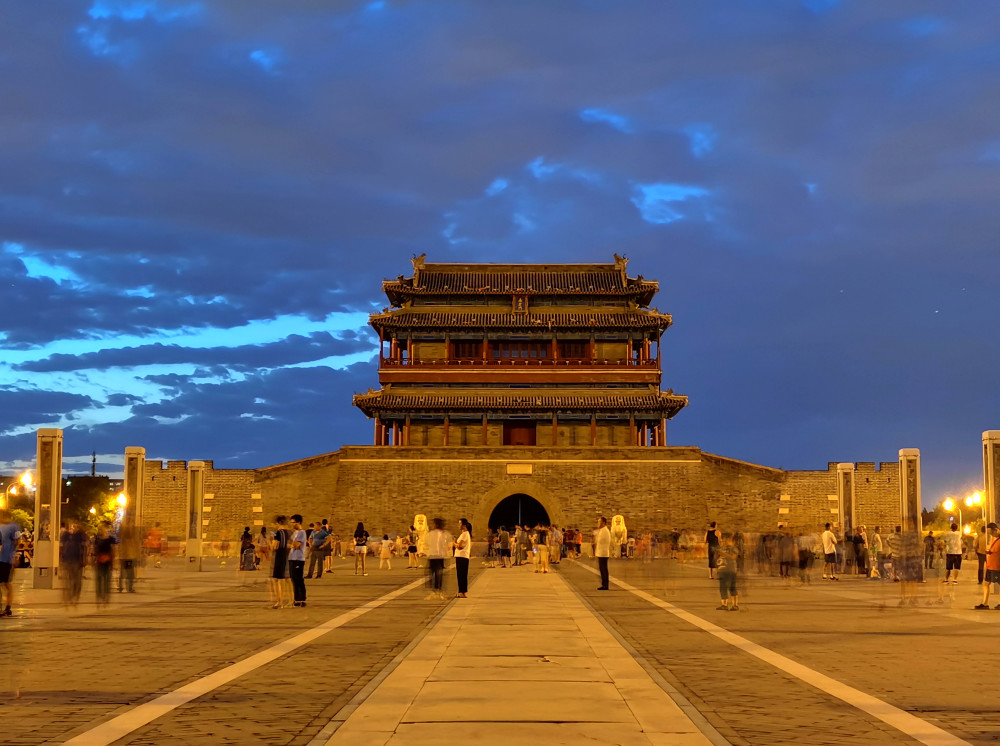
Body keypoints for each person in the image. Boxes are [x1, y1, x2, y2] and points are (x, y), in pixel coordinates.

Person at [61, 521, 89, 607]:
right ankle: (71, 596)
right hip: (68, 559)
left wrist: (85, 559)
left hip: (77, 560)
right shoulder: (66, 535)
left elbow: (86, 547)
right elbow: (62, 547)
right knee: (71, 579)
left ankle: (75, 596)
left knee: (76, 580)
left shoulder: (80, 536)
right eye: (72, 526)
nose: (73, 528)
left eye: (75, 526)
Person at [0, 509, 20, 617]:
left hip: (6, 558)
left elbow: (17, 541)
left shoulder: (13, 526)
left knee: (7, 584)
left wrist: (15, 556)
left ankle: (8, 608)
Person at [975, 523, 1000, 610]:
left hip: (996, 566)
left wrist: (990, 551)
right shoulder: (994, 538)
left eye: (991, 532)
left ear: (995, 530)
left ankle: (986, 603)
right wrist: (989, 551)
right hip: (991, 565)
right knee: (986, 583)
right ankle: (985, 603)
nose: (991, 534)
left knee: (994, 583)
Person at [93, 520, 117, 608]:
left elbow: (113, 550)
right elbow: (95, 549)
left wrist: (114, 561)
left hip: (107, 561)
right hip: (99, 561)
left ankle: (105, 598)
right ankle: (99, 597)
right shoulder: (97, 539)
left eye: (105, 527)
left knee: (106, 581)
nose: (103, 529)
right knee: (99, 580)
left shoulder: (110, 539)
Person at [269, 516, 290, 609]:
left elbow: (274, 546)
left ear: (278, 523)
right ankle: (284, 600)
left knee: (277, 580)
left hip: (279, 556)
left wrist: (270, 542)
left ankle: (279, 601)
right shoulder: (287, 532)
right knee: (283, 579)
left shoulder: (278, 533)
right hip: (285, 555)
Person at [425, 517, 448, 599]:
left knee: (432, 574)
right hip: (440, 556)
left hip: (432, 555)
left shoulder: (430, 533)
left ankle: (434, 591)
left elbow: (426, 543)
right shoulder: (443, 534)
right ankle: (439, 591)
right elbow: (445, 544)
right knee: (439, 574)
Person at [288, 515, 307, 607]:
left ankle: (301, 598)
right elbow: (290, 543)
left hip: (298, 558)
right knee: (293, 579)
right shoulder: (294, 533)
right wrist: (291, 544)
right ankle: (296, 598)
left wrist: (292, 544)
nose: (292, 524)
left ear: (298, 522)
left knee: (298, 579)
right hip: (292, 557)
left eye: (293, 522)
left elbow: (297, 545)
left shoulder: (301, 533)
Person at [453, 519, 471, 597]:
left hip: (461, 556)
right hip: (463, 556)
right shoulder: (466, 534)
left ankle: (461, 592)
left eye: (459, 523)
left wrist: (454, 543)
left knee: (461, 575)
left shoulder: (464, 534)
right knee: (463, 575)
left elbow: (460, 546)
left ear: (464, 525)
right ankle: (464, 592)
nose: (458, 525)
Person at [595, 516, 611, 590]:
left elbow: (600, 541)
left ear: (603, 523)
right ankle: (604, 584)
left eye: (599, 522)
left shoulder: (604, 531)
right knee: (602, 569)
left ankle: (605, 585)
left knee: (604, 569)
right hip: (601, 552)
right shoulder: (602, 530)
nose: (598, 523)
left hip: (603, 553)